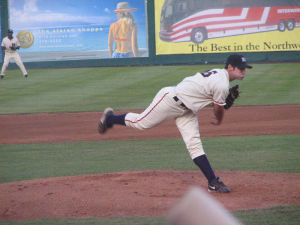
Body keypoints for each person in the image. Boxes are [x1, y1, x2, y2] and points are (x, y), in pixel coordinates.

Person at [98, 54, 252, 193]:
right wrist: (219, 119)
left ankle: (213, 182)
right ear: (230, 67)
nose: (244, 71)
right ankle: (110, 118)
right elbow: (218, 109)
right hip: (170, 100)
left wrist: (222, 102)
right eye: (241, 68)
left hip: (188, 110)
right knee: (141, 123)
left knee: (194, 144)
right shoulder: (222, 84)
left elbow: (209, 97)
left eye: (245, 68)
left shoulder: (219, 76)